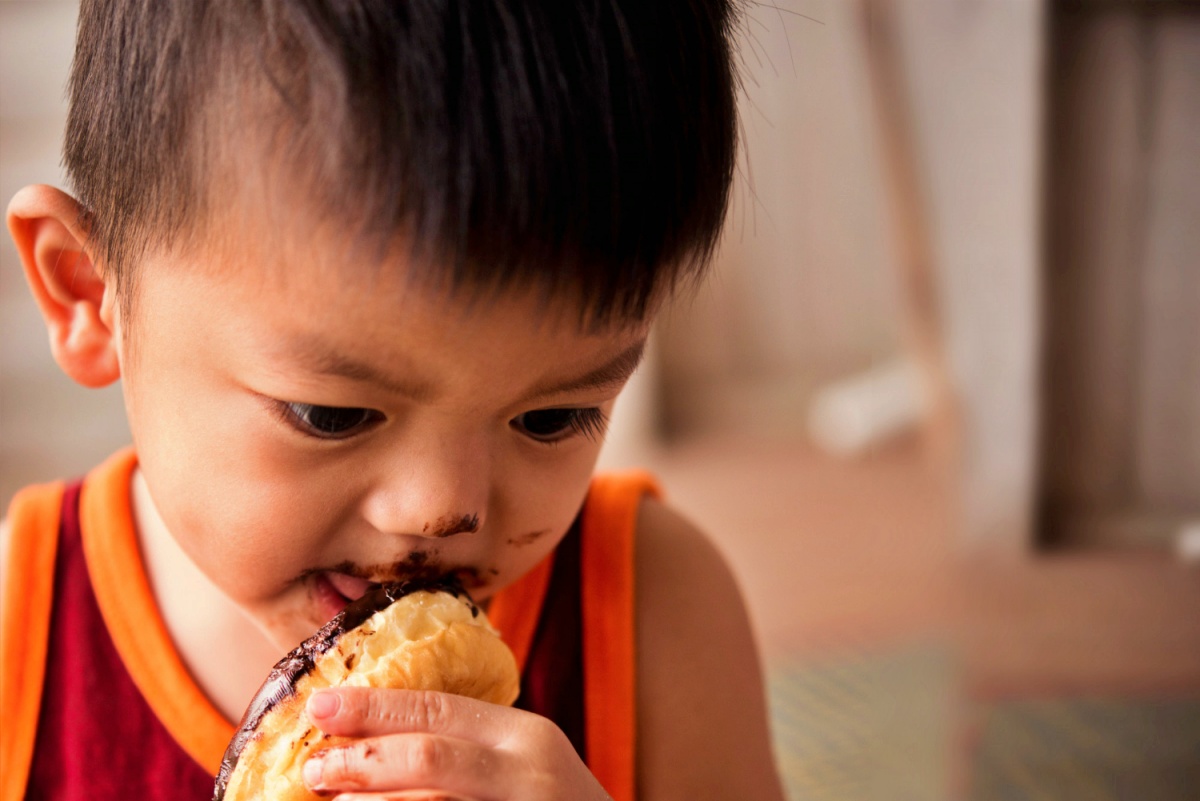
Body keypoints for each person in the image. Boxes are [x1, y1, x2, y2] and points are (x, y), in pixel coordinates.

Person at [0, 1, 785, 799]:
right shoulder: (15, 638)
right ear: (91, 296)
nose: (441, 512)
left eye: (550, 418)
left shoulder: (653, 610)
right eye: (331, 415)